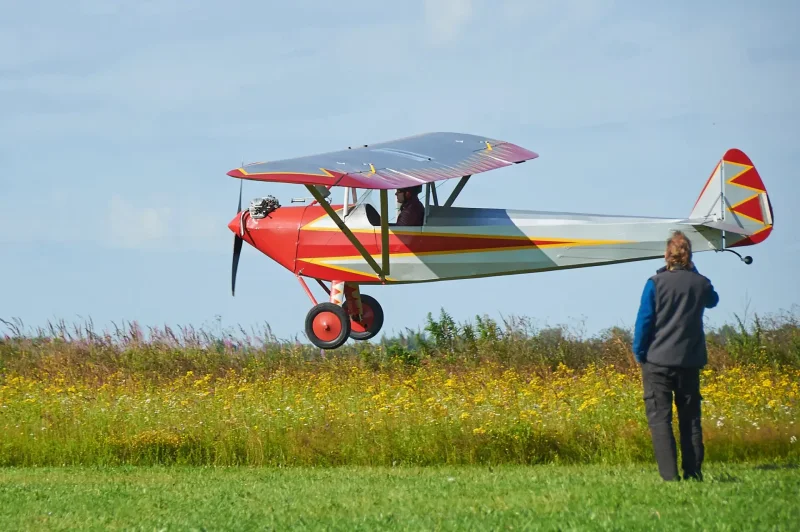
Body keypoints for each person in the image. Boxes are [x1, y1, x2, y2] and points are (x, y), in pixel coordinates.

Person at [633, 230, 719, 481]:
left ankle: (670, 477)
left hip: (657, 360)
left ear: (666, 256)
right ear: (689, 256)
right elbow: (713, 301)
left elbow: (644, 321)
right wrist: (693, 273)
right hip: (689, 362)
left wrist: (639, 352)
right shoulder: (700, 282)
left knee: (660, 420)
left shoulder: (655, 283)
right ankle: (693, 473)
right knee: (690, 419)